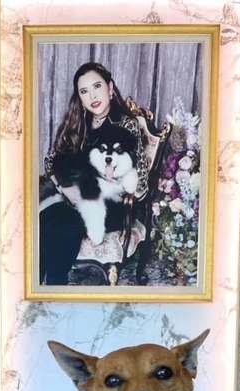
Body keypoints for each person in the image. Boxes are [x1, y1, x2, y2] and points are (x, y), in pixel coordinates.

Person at [39, 62, 149, 285]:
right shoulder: (79, 122)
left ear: (109, 88)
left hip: (110, 205)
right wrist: (65, 187)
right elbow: (51, 161)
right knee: (46, 219)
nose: (92, 96)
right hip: (75, 197)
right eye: (84, 91)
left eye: (97, 86)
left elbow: (141, 179)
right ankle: (37, 288)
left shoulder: (127, 125)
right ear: (79, 97)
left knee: (63, 226)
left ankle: (54, 288)